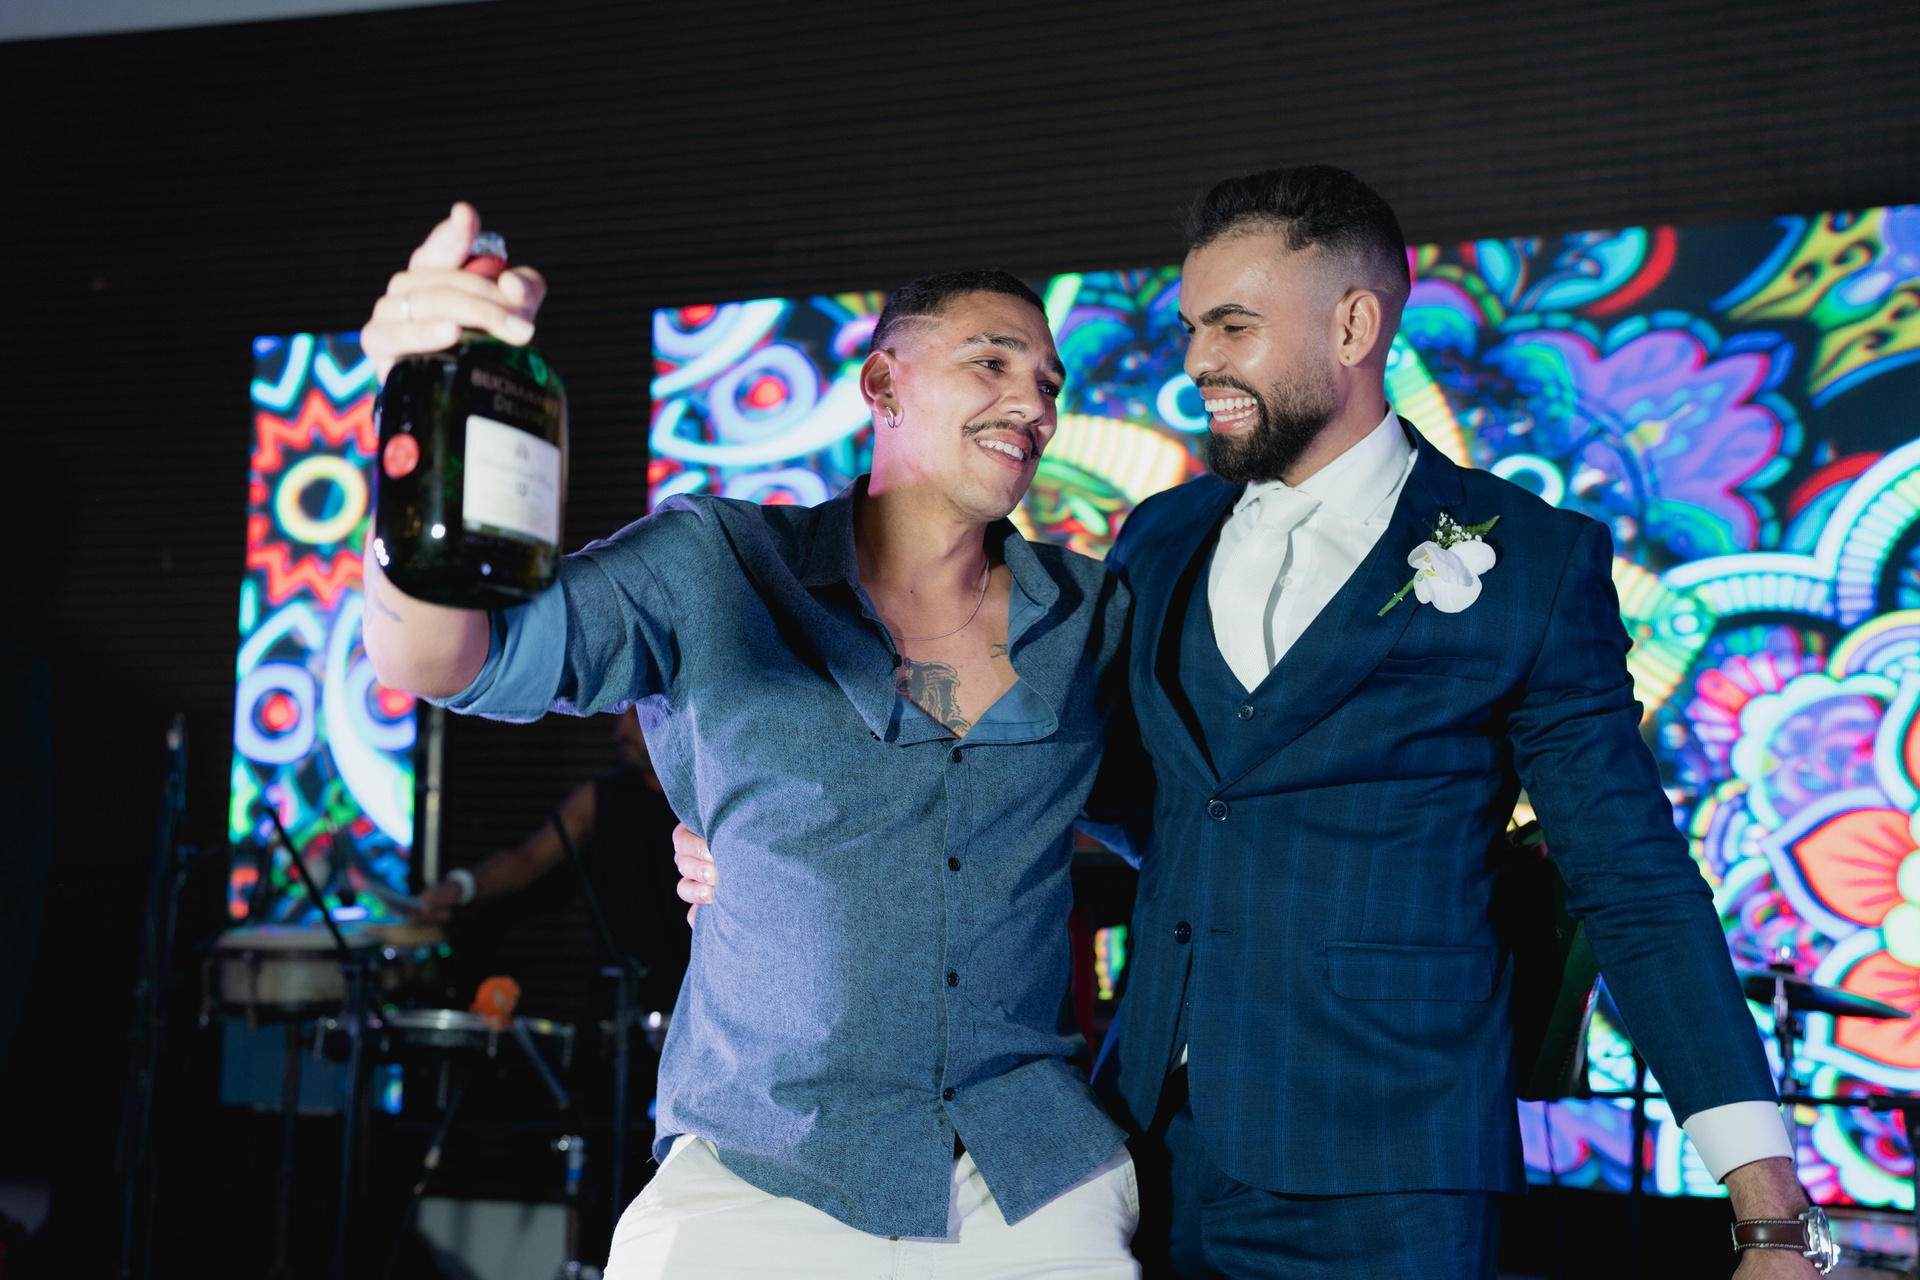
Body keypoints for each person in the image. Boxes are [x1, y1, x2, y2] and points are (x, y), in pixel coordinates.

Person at [675, 167, 1820, 1280]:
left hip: (1389, 1171)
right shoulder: (1160, 535)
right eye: (1190, 329)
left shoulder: (1528, 558)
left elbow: (1632, 878)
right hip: (1141, 1151)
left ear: (1355, 324)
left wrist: (1767, 1210)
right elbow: (1076, 774)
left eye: (1232, 327)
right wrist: (784, 826)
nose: (1196, 364)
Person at [359, 203, 1141, 1278]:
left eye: (1049, 382)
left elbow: (1194, 829)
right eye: (992, 363)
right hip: (761, 1166)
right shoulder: (717, 561)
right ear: (882, 384)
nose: (1032, 403)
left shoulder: (1093, 616)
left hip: (1029, 1177)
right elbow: (444, 658)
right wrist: (415, 412)